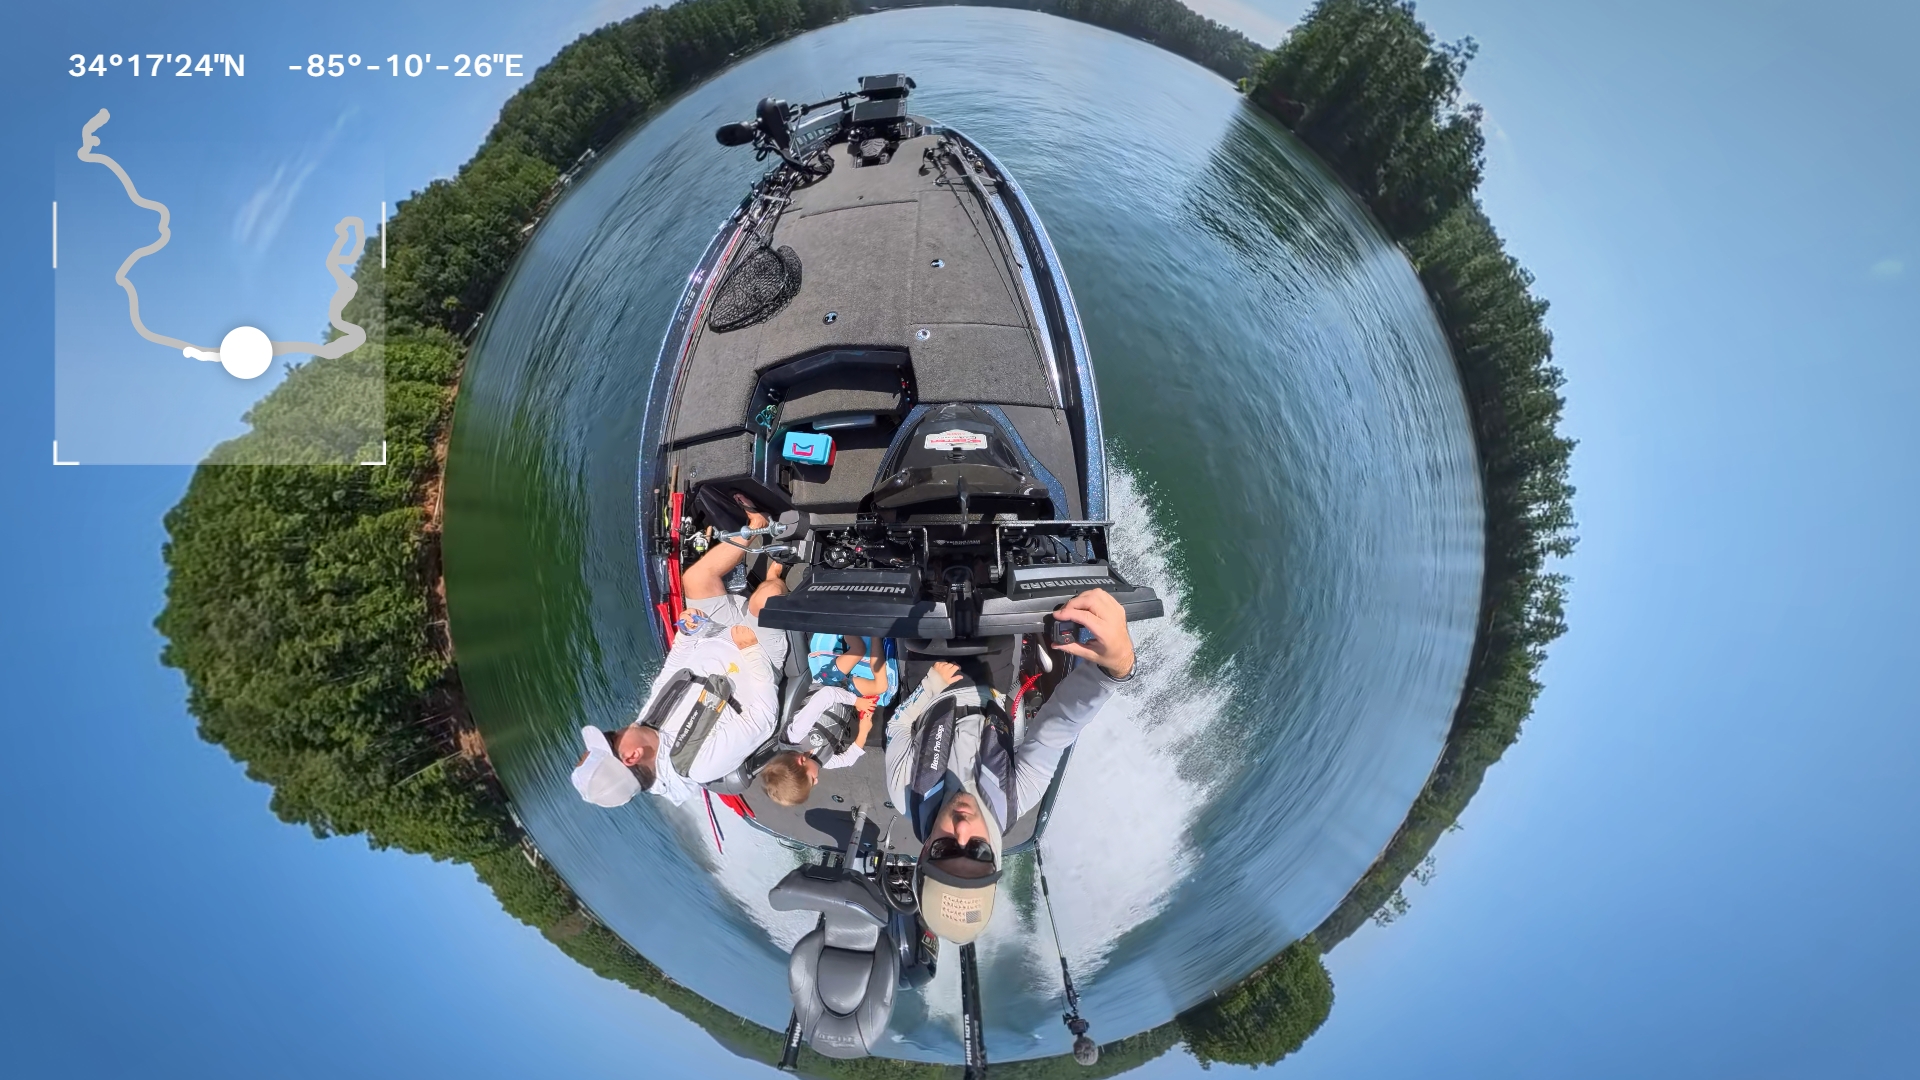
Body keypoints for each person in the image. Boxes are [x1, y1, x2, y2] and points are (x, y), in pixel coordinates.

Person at [885, 588, 1137, 943]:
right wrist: (1116, 668)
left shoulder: (904, 793)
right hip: (993, 678)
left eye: (945, 850)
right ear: (994, 856)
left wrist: (929, 687)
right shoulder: (1017, 796)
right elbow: (1059, 727)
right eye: (978, 850)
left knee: (920, 601)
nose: (962, 829)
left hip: (930, 679)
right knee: (996, 599)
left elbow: (896, 726)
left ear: (925, 849)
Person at [571, 495, 790, 808]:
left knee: (696, 579)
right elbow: (764, 719)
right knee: (766, 597)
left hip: (715, 634)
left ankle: (758, 525)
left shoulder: (645, 726)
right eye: (613, 737)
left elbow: (672, 671)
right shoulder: (700, 765)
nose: (621, 728)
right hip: (756, 655)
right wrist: (751, 650)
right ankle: (773, 577)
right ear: (632, 756)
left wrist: (688, 633)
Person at [760, 638, 891, 806]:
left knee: (858, 649)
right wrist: (864, 731)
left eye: (812, 779)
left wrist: (857, 702)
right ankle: (876, 636)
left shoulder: (796, 734)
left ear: (800, 761)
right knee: (881, 687)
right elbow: (848, 760)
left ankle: (847, 622)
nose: (817, 781)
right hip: (847, 693)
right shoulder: (822, 761)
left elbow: (826, 694)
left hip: (828, 682)